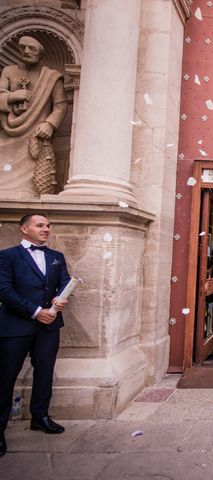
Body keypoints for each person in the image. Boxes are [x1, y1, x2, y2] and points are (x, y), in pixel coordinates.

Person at [0, 213, 71, 457]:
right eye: (40, 225)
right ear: (24, 229)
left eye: (48, 226)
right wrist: (36, 311)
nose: (46, 229)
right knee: (5, 377)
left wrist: (59, 298)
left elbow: (64, 282)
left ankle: (40, 416)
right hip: (16, 327)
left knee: (45, 373)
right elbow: (4, 290)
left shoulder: (56, 257)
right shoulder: (7, 256)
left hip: (49, 326)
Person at [0, 36, 67, 196]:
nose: (26, 51)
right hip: (7, 130)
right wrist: (12, 96)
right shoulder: (9, 72)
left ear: (41, 55)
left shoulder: (52, 77)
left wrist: (49, 124)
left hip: (35, 132)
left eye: (32, 48)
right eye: (23, 47)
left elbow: (61, 105)